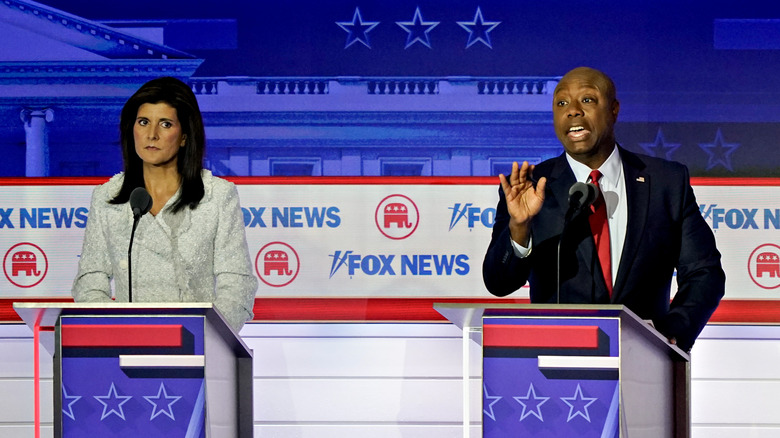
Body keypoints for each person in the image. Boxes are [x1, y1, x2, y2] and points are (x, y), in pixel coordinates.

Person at [482, 66, 724, 352]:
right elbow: (498, 283)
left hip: (645, 361)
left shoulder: (666, 182)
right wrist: (519, 228)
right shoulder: (531, 186)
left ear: (614, 109)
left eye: (587, 100)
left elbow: (704, 273)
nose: (572, 111)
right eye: (561, 103)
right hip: (556, 364)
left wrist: (670, 333)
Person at [72, 77, 258, 332]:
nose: (152, 134)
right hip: (127, 344)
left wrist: (204, 336)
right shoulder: (107, 197)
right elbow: (90, 281)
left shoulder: (217, 196)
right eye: (143, 122)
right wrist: (114, 331)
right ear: (132, 129)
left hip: (196, 346)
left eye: (166, 124)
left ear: (183, 136)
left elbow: (237, 284)